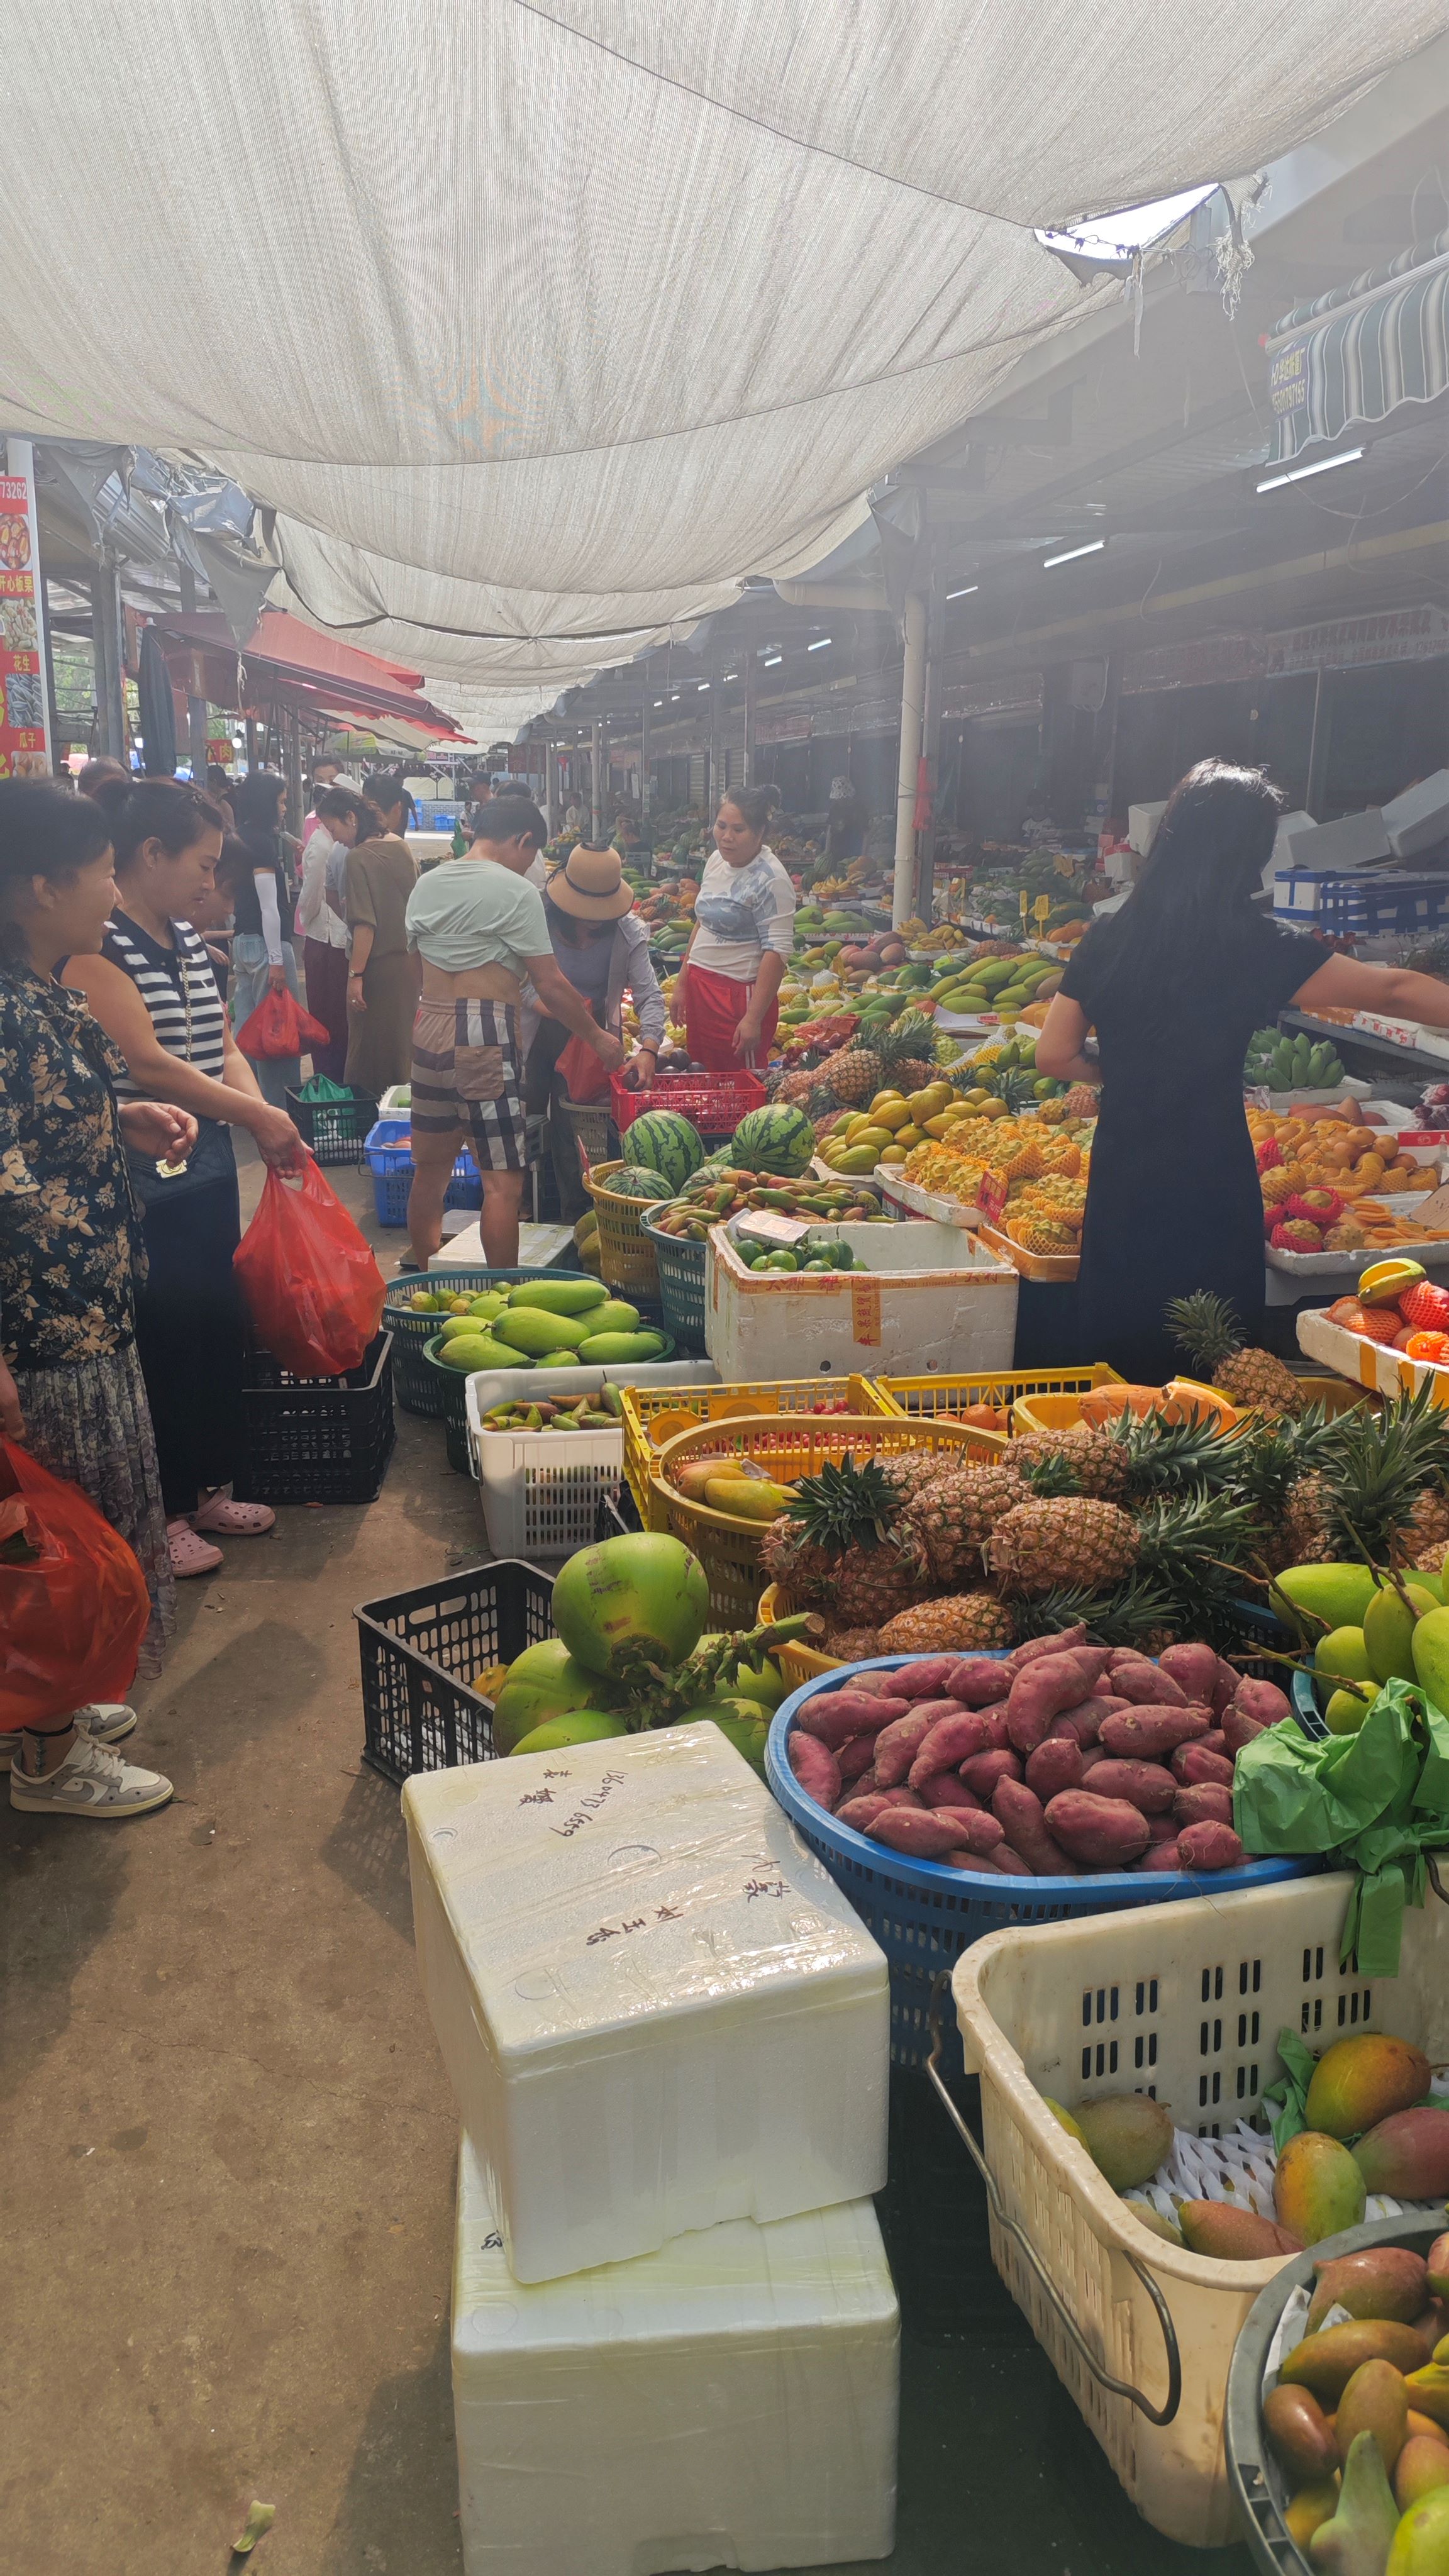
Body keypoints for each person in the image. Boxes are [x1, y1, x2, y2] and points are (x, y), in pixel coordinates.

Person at [1035, 757, 1449, 1381]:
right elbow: (1388, 991)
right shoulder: (1255, 945)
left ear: (1169, 836)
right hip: (1211, 1178)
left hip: (1125, 1176)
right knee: (1216, 1358)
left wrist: (1125, 1068)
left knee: (1119, 1356)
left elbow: (1055, 1054)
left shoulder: (1108, 936)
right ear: (1252, 852)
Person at [0, 780, 199, 1818]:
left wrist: (122, 1123)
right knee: (51, 1552)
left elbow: (40, 1129)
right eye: (100, 874)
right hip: (39, 1329)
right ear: (40, 886)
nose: (112, 892)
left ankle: (62, 1706)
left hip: (87, 1305)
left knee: (91, 1527)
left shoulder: (46, 991)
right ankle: (43, 1754)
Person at [62, 772, 303, 1576]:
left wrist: (252, 1109)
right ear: (149, 854)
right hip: (139, 1167)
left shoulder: (188, 945)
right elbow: (148, 1064)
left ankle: (205, 1487)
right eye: (200, 866)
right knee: (160, 1332)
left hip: (201, 1166)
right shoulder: (100, 953)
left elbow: (222, 1045)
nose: (210, 882)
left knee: (210, 1321)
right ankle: (160, 1510)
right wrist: (259, 1117)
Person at [404, 797, 628, 1269]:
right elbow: (551, 982)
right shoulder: (517, 891)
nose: (530, 865)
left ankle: (424, 1282)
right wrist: (599, 1039)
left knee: (430, 1174)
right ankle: (502, 1295)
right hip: (483, 1033)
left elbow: (419, 969)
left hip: (428, 1028)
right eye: (532, 853)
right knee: (502, 1184)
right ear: (523, 840)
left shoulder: (426, 883)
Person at [525, 843, 666, 1219]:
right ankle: (531, 1207)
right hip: (542, 1031)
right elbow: (523, 987)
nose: (594, 919)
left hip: (596, 1045)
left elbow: (649, 996)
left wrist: (649, 1048)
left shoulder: (626, 932)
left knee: (583, 1131)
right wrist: (576, 1020)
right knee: (529, 1122)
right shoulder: (538, 921)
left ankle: (581, 1214)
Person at [672, 785, 795, 1070]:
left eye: (738, 830)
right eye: (721, 826)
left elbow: (775, 953)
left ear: (760, 832)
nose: (726, 837)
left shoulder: (771, 879)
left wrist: (753, 1019)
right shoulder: (717, 861)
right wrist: (682, 982)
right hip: (700, 988)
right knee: (701, 1073)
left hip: (738, 998)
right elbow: (702, 922)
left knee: (738, 1081)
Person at [223, 771, 302, 1109]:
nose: (284, 808)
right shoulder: (262, 844)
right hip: (266, 945)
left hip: (242, 943)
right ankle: (280, 1108)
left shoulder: (238, 837)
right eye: (281, 802)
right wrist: (277, 961)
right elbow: (270, 906)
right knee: (278, 1034)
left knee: (248, 1032)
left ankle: (248, 1103)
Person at [344, 774, 420, 1097]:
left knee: (368, 1048)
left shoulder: (357, 857)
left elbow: (365, 925)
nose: (335, 839)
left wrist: (355, 975)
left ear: (351, 819)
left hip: (375, 967)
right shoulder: (402, 847)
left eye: (333, 829)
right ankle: (404, 1109)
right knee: (402, 1044)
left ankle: (371, 1115)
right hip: (408, 964)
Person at [297, 785, 369, 1082]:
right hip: (326, 940)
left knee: (340, 1021)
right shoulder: (322, 841)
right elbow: (313, 894)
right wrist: (309, 921)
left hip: (336, 940)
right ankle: (329, 1080)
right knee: (327, 1021)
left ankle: (339, 1080)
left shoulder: (347, 846)